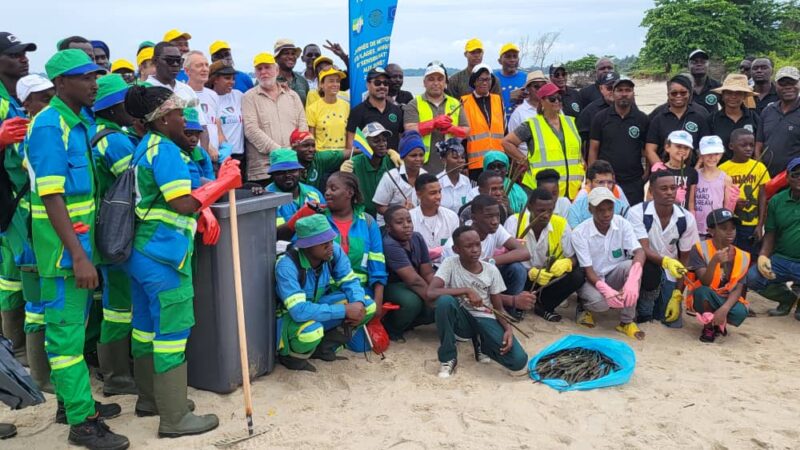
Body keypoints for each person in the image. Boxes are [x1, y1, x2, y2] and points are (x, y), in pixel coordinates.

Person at [124, 84, 242, 438]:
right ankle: (174, 418)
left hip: (141, 253)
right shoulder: (165, 151)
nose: (184, 119)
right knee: (172, 334)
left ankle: (152, 400)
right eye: (178, 114)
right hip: (164, 257)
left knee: (145, 328)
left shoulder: (147, 146)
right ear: (163, 120)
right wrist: (224, 182)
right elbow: (183, 203)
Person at [26, 49, 130, 448]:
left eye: (96, 76)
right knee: (66, 340)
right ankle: (82, 425)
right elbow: (51, 195)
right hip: (63, 256)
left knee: (73, 331)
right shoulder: (50, 125)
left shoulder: (76, 122)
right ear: (60, 83)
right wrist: (79, 256)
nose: (94, 84)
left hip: (78, 249)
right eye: (86, 77)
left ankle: (72, 404)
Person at [90, 74, 141, 397]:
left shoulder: (96, 133)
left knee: (113, 303)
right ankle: (118, 377)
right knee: (119, 307)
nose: (130, 108)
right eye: (125, 103)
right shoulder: (114, 140)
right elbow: (138, 183)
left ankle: (114, 369)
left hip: (104, 228)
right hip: (118, 231)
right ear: (111, 108)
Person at [274, 214, 375, 371]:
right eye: (324, 243)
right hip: (290, 318)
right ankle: (292, 359)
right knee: (311, 332)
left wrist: (357, 302)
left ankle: (323, 349)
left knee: (366, 306)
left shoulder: (333, 251)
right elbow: (298, 311)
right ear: (307, 246)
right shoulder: (287, 266)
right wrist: (344, 310)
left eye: (331, 240)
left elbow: (350, 281)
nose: (331, 246)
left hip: (318, 307)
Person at [427, 225, 529, 378]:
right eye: (468, 246)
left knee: (518, 361)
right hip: (462, 319)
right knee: (445, 301)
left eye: (477, 244)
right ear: (456, 249)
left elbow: (498, 307)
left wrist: (508, 329)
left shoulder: (491, 270)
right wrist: (466, 290)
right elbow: (431, 292)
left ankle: (482, 343)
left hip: (485, 317)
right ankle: (448, 358)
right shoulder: (450, 263)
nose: (475, 250)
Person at [10, 74, 54, 392]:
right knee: (37, 306)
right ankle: (40, 376)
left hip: (38, 228)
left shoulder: (40, 127)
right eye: (44, 97)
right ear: (26, 103)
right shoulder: (33, 132)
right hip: (29, 230)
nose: (51, 102)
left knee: (43, 304)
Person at [0, 32, 35, 367]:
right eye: (14, 54)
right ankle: (17, 347)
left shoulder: (27, 94)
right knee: (12, 273)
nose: (23, 59)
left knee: (25, 267)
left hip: (30, 198)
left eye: (24, 53)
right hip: (9, 200)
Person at [321, 172, 387, 345]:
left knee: (360, 346)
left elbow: (377, 264)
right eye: (326, 188)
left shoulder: (368, 222)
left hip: (360, 292)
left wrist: (378, 301)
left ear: (350, 193)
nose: (327, 192)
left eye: (333, 188)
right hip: (327, 293)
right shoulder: (319, 220)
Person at [571, 187, 646, 340]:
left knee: (632, 266)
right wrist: (605, 289)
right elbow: (588, 271)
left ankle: (626, 321)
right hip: (590, 279)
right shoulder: (580, 233)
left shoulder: (622, 224)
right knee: (601, 304)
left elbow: (640, 251)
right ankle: (583, 306)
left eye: (610, 209)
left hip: (613, 274)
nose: (606, 214)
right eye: (601, 210)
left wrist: (632, 280)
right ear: (590, 209)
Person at [627, 171, 700, 325]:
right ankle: (642, 310)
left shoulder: (687, 219)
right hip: (643, 267)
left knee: (672, 323)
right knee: (650, 270)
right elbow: (643, 249)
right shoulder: (637, 212)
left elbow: (685, 259)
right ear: (651, 191)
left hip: (670, 272)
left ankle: (657, 305)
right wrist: (666, 261)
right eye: (664, 188)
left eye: (673, 188)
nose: (670, 192)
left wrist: (677, 294)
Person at [504, 188, 583, 322]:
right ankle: (516, 305)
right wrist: (529, 272)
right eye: (541, 211)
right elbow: (504, 256)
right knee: (515, 269)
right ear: (529, 207)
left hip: (547, 279)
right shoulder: (514, 222)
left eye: (550, 210)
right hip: (522, 277)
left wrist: (568, 262)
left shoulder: (561, 224)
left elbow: (574, 257)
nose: (546, 215)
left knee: (578, 274)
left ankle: (544, 306)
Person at [503, 82, 584, 200]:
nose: (557, 101)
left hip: (572, 189)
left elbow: (577, 150)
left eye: (559, 98)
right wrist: (524, 161)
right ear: (542, 101)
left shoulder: (570, 122)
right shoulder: (532, 125)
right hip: (541, 189)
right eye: (552, 99)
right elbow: (507, 142)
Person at [442, 195, 530, 298]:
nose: (495, 221)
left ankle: (510, 306)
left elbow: (524, 252)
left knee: (517, 269)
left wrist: (490, 261)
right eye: (489, 216)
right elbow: (465, 287)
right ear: (473, 218)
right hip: (460, 288)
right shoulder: (457, 245)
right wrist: (513, 300)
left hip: (484, 278)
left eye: (497, 216)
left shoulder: (496, 229)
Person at [746, 157, 800, 318]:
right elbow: (770, 234)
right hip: (781, 259)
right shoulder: (777, 200)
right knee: (753, 277)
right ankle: (787, 299)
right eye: (796, 174)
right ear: (787, 177)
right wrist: (763, 256)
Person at [242, 52, 307, 184]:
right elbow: (251, 130)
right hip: (264, 169)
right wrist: (280, 151)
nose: (263, 72)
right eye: (259, 69)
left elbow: (302, 125)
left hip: (292, 164)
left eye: (267, 67)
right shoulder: (248, 97)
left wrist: (293, 151)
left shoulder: (292, 96)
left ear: (277, 70)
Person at [686, 209, 750, 342]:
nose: (730, 232)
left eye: (733, 228)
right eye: (723, 228)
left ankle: (720, 321)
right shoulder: (699, 248)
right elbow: (705, 282)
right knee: (702, 292)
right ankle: (708, 326)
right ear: (710, 231)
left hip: (726, 297)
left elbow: (738, 288)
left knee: (741, 312)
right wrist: (714, 261)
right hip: (706, 294)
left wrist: (725, 309)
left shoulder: (742, 255)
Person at [588, 77, 649, 205]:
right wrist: (591, 176)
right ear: (613, 93)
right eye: (620, 90)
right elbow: (593, 149)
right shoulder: (600, 118)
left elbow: (648, 148)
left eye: (628, 90)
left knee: (633, 214)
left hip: (633, 181)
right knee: (605, 213)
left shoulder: (642, 119)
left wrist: (647, 173)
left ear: (633, 93)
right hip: (606, 181)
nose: (624, 94)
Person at [382, 206, 436, 340]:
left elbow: (427, 272)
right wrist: (434, 299)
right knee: (412, 302)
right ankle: (392, 329)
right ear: (389, 227)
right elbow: (413, 281)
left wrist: (438, 290)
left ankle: (409, 324)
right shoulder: (389, 244)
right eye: (399, 222)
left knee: (434, 306)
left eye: (409, 221)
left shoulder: (417, 237)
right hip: (392, 285)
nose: (406, 225)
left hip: (413, 282)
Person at [404, 62, 469, 174]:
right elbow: (409, 130)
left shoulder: (455, 103)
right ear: (424, 83)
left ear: (445, 82)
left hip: (450, 164)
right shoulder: (414, 103)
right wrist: (433, 123)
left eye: (440, 79)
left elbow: (466, 131)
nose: (436, 83)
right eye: (431, 79)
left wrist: (451, 128)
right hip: (423, 165)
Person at [145, 42, 206, 149]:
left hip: (192, 154)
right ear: (155, 61)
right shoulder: (146, 90)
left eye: (179, 61)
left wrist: (203, 156)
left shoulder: (187, 90)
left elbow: (202, 127)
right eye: (169, 60)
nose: (175, 64)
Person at [719, 128, 770, 256]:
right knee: (729, 256)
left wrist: (760, 225)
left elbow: (763, 197)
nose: (748, 149)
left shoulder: (759, 167)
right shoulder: (723, 169)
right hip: (730, 222)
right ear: (731, 146)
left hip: (751, 223)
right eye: (743, 145)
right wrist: (733, 204)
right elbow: (719, 197)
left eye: (751, 145)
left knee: (748, 256)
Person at [644, 74, 710, 166]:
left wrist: (696, 170)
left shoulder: (698, 118)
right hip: (664, 170)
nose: (678, 96)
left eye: (683, 93)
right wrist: (661, 170)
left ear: (689, 93)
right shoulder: (658, 119)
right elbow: (650, 150)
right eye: (674, 93)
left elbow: (706, 148)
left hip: (691, 170)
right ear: (668, 95)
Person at [339, 122, 400, 218]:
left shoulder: (392, 160)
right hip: (362, 216)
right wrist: (343, 176)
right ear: (365, 144)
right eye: (376, 141)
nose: (382, 144)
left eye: (384, 140)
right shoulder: (353, 164)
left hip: (388, 215)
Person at [373, 131, 428, 222]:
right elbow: (380, 206)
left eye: (421, 155)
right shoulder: (391, 177)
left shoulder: (425, 176)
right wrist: (399, 214)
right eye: (413, 155)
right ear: (403, 157)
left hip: (416, 222)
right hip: (389, 224)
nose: (418, 159)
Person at [461, 64, 503, 178]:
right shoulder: (464, 102)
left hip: (498, 161)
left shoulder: (498, 100)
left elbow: (505, 130)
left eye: (488, 79)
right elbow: (461, 137)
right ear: (474, 81)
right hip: (475, 163)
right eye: (481, 79)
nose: (485, 83)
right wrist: (464, 164)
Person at [756, 66, 800, 177]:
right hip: (767, 176)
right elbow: (759, 143)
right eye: (783, 83)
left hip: (794, 178)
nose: (788, 87)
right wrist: (759, 168)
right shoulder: (768, 111)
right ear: (776, 85)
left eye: (792, 82)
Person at [346, 67, 403, 151]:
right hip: (367, 159)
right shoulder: (357, 112)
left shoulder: (396, 110)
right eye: (377, 83)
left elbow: (402, 138)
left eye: (386, 83)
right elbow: (351, 143)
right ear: (368, 85)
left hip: (393, 159)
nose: (382, 86)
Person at [708, 74, 760, 162]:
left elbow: (758, 145)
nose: (733, 97)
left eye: (738, 93)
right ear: (722, 95)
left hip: (747, 168)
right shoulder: (712, 119)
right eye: (729, 93)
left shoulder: (754, 118)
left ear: (744, 96)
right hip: (719, 168)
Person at [268, 148, 324, 229]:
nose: (287, 175)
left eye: (292, 170)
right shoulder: (267, 198)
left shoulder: (313, 193)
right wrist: (300, 215)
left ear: (300, 171)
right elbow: (275, 233)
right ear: (272, 175)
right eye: (281, 172)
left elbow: (326, 222)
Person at [410, 173, 460, 261]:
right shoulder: (410, 218)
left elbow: (456, 247)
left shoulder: (451, 216)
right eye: (432, 193)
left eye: (439, 191)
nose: (438, 197)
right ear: (419, 195)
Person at [185, 51, 224, 162]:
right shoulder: (182, 94)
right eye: (199, 66)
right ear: (187, 71)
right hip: (195, 156)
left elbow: (217, 126)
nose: (205, 69)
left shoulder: (213, 95)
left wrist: (224, 146)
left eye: (206, 65)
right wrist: (207, 147)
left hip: (215, 158)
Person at [567, 160, 630, 228]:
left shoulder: (623, 208)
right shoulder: (576, 210)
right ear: (589, 183)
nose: (606, 187)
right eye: (600, 182)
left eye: (609, 182)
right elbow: (575, 233)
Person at [695, 136, 734, 237]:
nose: (712, 158)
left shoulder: (726, 179)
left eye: (716, 154)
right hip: (694, 228)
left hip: (715, 228)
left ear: (721, 154)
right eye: (708, 154)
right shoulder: (694, 175)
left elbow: (727, 208)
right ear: (701, 155)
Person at [207, 61, 245, 165]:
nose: (232, 82)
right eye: (227, 78)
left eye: (233, 78)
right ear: (215, 79)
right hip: (218, 155)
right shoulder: (208, 97)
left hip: (239, 155)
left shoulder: (238, 96)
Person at [307, 67, 349, 151]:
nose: (335, 84)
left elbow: (349, 134)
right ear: (321, 84)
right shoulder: (312, 109)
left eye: (337, 81)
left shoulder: (346, 106)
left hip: (343, 155)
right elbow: (311, 138)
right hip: (322, 155)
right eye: (331, 81)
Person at [508, 70, 547, 154]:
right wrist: (522, 159)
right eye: (536, 86)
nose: (540, 89)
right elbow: (510, 143)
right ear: (528, 89)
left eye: (543, 86)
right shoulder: (518, 113)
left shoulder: (554, 108)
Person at [658, 130, 699, 211]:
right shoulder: (659, 170)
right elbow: (650, 198)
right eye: (678, 146)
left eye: (686, 148)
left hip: (684, 216)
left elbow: (691, 203)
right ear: (667, 147)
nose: (682, 150)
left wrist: (691, 216)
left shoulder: (692, 173)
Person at [577, 71, 617, 152]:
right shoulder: (589, 112)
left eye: (616, 88)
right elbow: (580, 140)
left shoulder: (630, 108)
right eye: (609, 88)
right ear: (601, 89)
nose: (613, 91)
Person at [435, 138, 473, 214]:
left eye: (462, 157)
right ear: (444, 160)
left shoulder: (466, 181)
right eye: (455, 157)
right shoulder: (437, 181)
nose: (461, 161)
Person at [494, 43, 527, 122]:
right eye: (508, 56)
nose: (512, 60)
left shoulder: (526, 78)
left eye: (515, 56)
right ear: (499, 61)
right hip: (498, 123)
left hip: (521, 123)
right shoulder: (492, 79)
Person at [273, 39, 309, 105]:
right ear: (276, 58)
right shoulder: (267, 80)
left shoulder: (302, 81)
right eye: (286, 53)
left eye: (293, 54)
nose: (291, 57)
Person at [688, 49, 721, 113]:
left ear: (708, 64)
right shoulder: (682, 87)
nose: (699, 64)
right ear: (688, 65)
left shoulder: (717, 87)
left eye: (703, 62)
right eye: (695, 62)